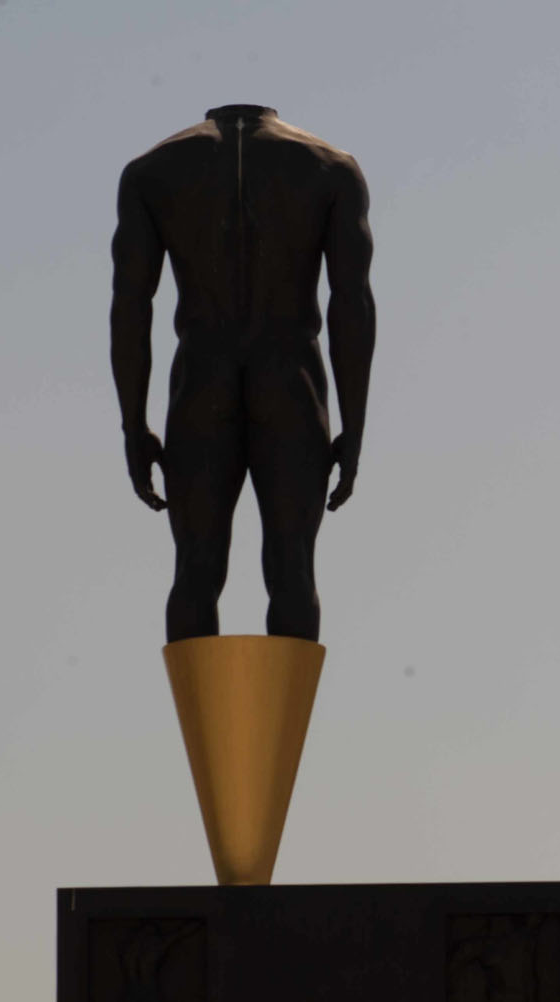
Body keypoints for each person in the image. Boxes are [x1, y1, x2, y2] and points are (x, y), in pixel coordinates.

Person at [111, 105, 375, 642]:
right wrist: (354, 426)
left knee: (194, 573)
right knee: (294, 570)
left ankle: (213, 725)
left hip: (201, 382)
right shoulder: (330, 166)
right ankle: (275, 724)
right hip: (291, 380)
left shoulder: (153, 171)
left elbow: (131, 309)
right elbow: (353, 307)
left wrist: (133, 427)